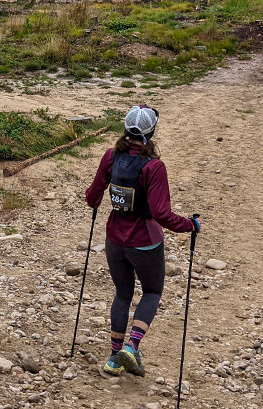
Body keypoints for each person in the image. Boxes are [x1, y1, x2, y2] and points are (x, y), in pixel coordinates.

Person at [83, 104, 199, 378]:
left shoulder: (111, 156)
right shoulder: (154, 167)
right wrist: (190, 225)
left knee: (123, 293)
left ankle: (114, 359)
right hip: (145, 242)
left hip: (114, 239)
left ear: (126, 128)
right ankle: (132, 347)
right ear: (152, 131)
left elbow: (91, 197)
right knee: (152, 291)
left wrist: (98, 199)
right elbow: (161, 214)